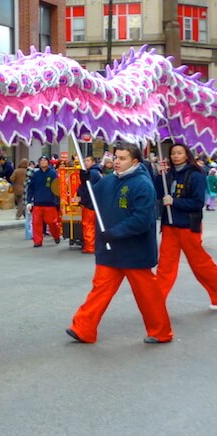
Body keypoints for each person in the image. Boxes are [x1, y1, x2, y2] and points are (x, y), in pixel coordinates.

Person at [66, 143, 173, 344]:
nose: (116, 161)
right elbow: (91, 203)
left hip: (135, 251)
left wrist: (114, 233)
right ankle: (83, 328)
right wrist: (85, 183)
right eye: (116, 157)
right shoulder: (108, 181)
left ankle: (161, 332)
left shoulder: (143, 184)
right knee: (99, 290)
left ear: (135, 161)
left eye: (122, 158)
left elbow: (141, 220)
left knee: (148, 295)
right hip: (110, 249)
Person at [154, 143, 217, 306]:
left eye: (179, 153)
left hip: (188, 226)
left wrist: (175, 202)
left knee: (200, 265)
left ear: (186, 155)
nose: (175, 156)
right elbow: (159, 193)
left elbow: (197, 203)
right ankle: (156, 302)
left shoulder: (196, 175)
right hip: (169, 226)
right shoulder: (168, 173)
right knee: (165, 267)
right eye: (173, 153)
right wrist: (159, 175)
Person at [25, 155, 61, 248]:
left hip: (50, 203)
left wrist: (57, 200)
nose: (43, 162)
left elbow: (57, 188)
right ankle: (37, 241)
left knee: (52, 222)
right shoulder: (36, 174)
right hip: (38, 203)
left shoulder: (53, 174)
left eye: (45, 160)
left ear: (48, 162)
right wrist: (29, 201)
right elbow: (31, 188)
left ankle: (56, 235)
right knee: (36, 223)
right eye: (41, 160)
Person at [73, 155, 103, 254]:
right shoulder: (97, 172)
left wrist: (81, 198)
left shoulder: (92, 173)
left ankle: (90, 246)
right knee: (93, 225)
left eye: (88, 160)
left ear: (93, 162)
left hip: (90, 203)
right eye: (84, 160)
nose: (85, 162)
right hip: (96, 203)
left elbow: (87, 188)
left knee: (88, 225)